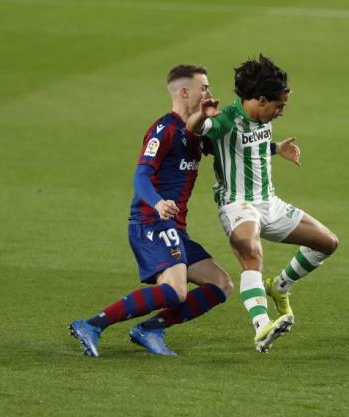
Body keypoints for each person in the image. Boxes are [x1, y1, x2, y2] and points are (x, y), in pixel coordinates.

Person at [69, 65, 233, 357]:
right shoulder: (164, 129)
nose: (209, 92)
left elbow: (230, 148)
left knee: (221, 284)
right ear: (185, 92)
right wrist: (157, 203)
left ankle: (151, 329)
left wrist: (270, 146)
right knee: (175, 291)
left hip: (175, 230)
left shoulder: (196, 133)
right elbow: (141, 176)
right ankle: (92, 325)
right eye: (204, 87)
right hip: (151, 223)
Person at [187, 54, 339, 353]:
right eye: (279, 106)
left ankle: (279, 287)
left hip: (270, 203)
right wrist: (203, 115)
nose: (281, 112)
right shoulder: (226, 119)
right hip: (237, 204)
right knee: (252, 254)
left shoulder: (262, 118)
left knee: (328, 242)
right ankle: (261, 327)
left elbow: (251, 145)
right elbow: (195, 128)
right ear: (259, 100)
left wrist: (276, 148)